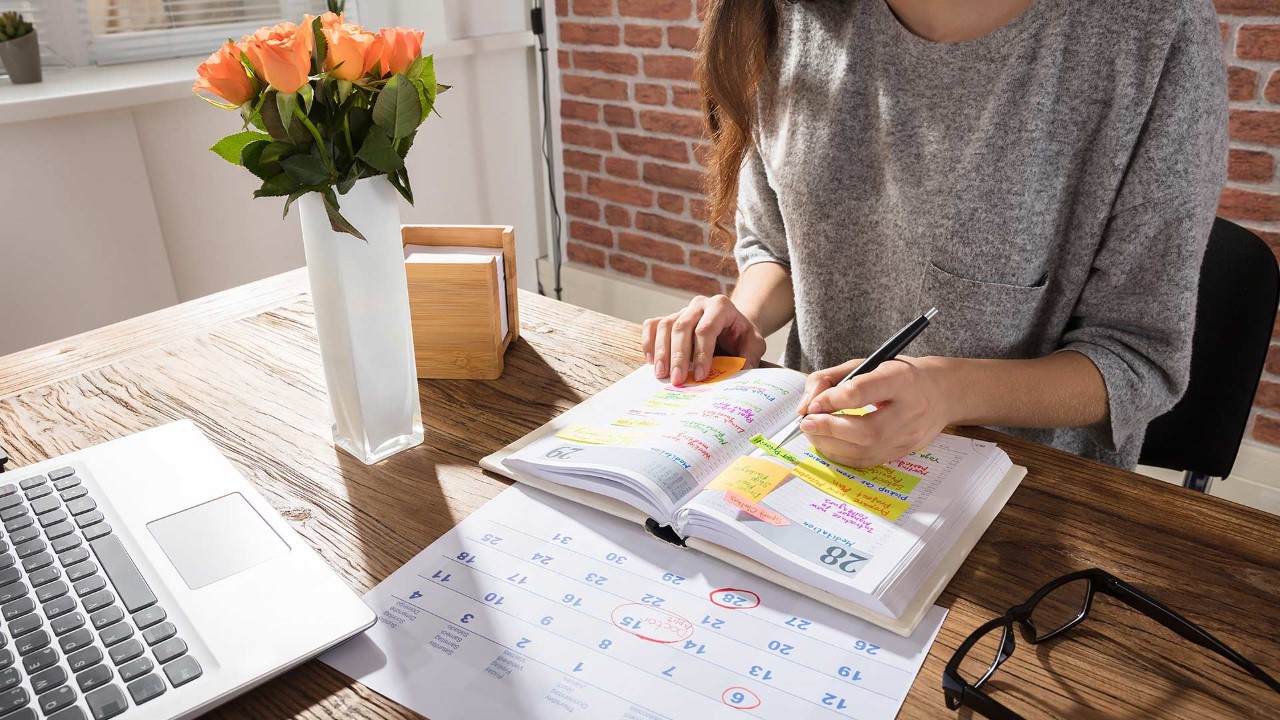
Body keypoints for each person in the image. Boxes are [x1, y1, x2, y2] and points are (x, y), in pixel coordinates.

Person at [641, 0, 1228, 469]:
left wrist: (946, 393)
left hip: (1023, 492)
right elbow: (777, 247)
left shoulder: (1151, 28)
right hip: (811, 455)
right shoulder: (788, 12)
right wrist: (744, 316)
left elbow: (1138, 359)